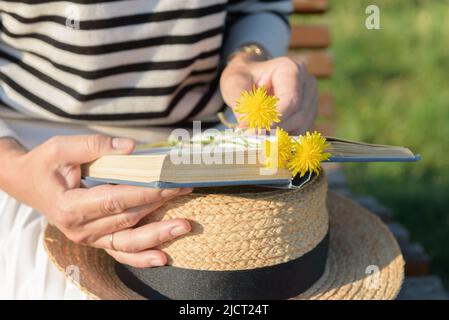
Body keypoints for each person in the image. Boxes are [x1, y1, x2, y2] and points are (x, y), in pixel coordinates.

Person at [0, 0, 318, 299]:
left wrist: (248, 57)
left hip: (203, 150)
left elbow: (257, 6)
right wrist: (14, 169)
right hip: (29, 158)